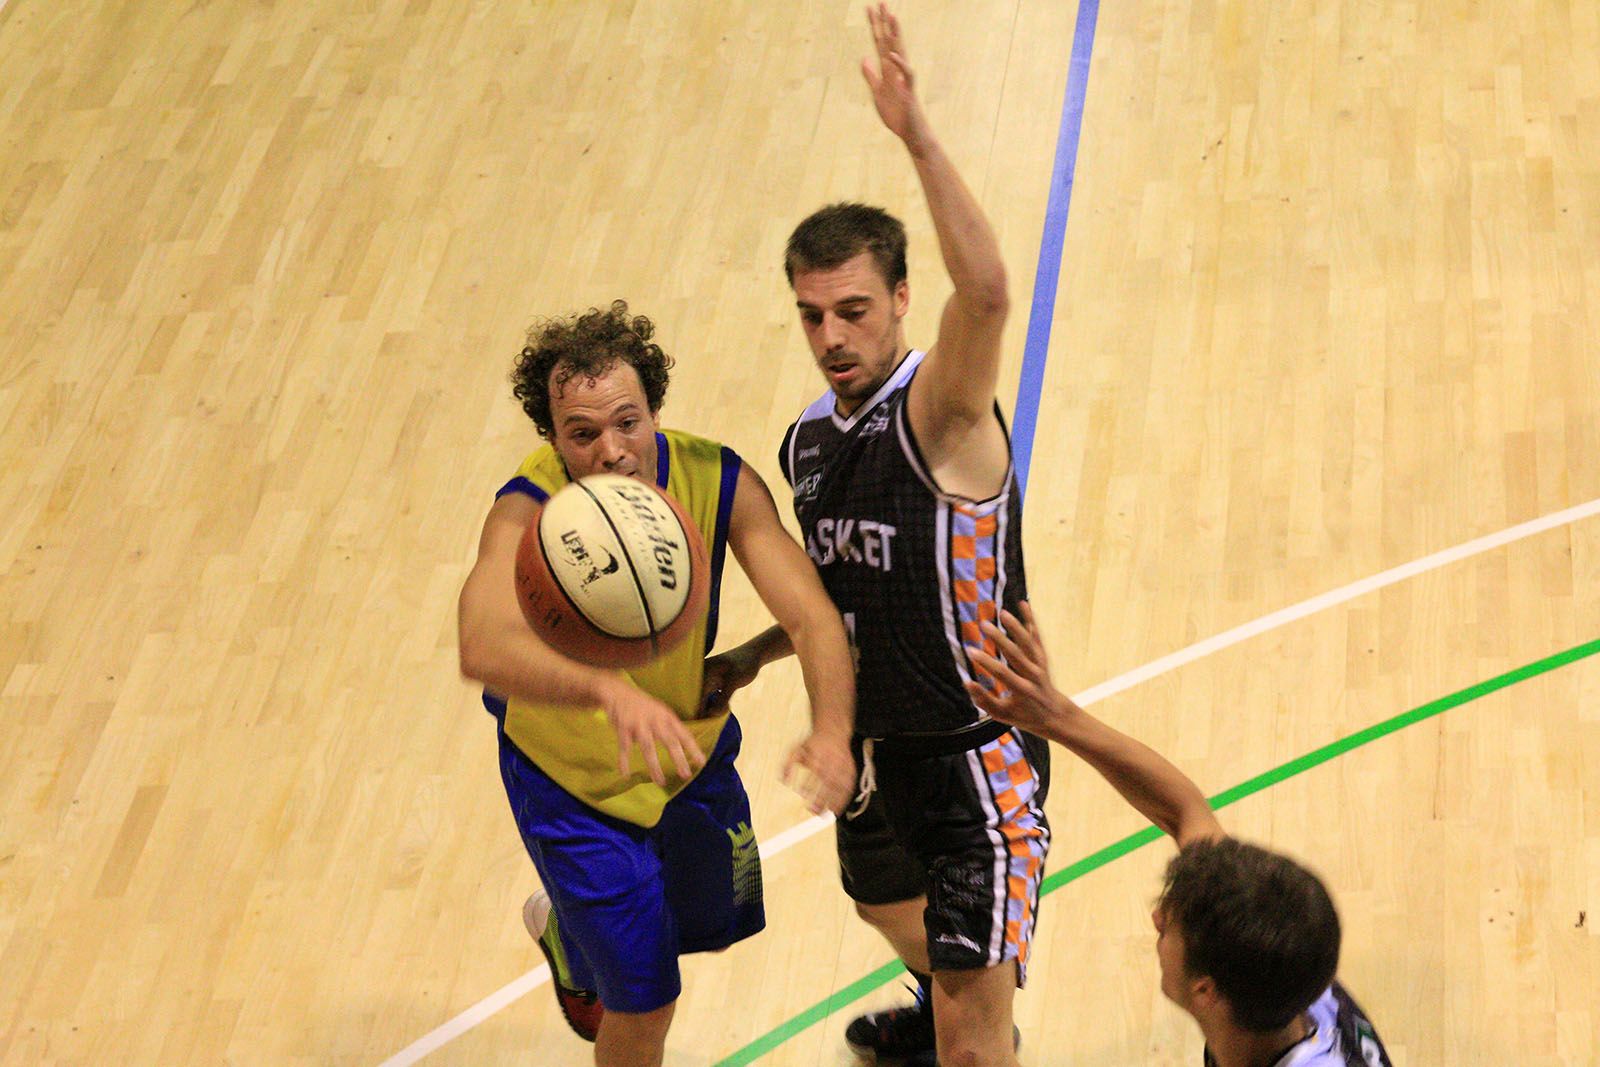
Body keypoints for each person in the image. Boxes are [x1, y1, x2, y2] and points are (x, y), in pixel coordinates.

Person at [709, 7, 1045, 1065]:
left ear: (901, 298)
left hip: (973, 757)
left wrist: (918, 137)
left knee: (972, 1037)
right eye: (811, 315)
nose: (831, 335)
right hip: (878, 746)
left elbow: (988, 293)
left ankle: (965, 1007)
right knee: (881, 905)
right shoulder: (807, 443)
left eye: (853, 308)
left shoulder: (940, 412)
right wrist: (756, 661)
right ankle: (948, 983)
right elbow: (839, 597)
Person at [456, 300, 856, 1067]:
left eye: (627, 422)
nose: (612, 450)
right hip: (572, 786)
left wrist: (826, 724)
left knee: (700, 924)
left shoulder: (718, 480)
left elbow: (812, 617)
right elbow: (480, 641)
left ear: (655, 411)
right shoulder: (526, 507)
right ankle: (588, 940)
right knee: (646, 1001)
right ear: (551, 438)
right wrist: (606, 692)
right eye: (582, 433)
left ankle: (569, 937)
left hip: (682, 755)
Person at [967, 604, 1396, 1067]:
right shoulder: (1286, 975)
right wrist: (1056, 716)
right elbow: (1184, 809)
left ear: (1206, 990)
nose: (1156, 918)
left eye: (1170, 925)